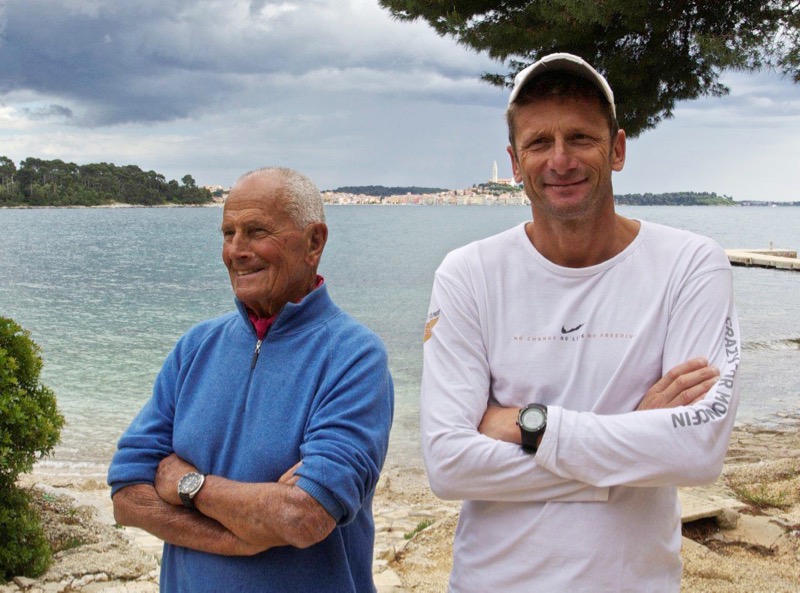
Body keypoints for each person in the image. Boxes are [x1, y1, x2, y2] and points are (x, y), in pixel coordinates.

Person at [421, 53, 740, 592]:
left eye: (581, 138)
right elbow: (448, 465)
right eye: (539, 143)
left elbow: (699, 449)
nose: (560, 160)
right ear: (515, 162)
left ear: (616, 149)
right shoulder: (469, 273)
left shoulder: (690, 264)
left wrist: (529, 423)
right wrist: (633, 441)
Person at [108, 167, 394, 593]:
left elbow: (303, 516)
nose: (236, 251)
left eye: (256, 231)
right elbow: (127, 495)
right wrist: (238, 537)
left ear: (314, 242)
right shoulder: (196, 347)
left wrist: (190, 484)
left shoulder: (354, 358)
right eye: (228, 233)